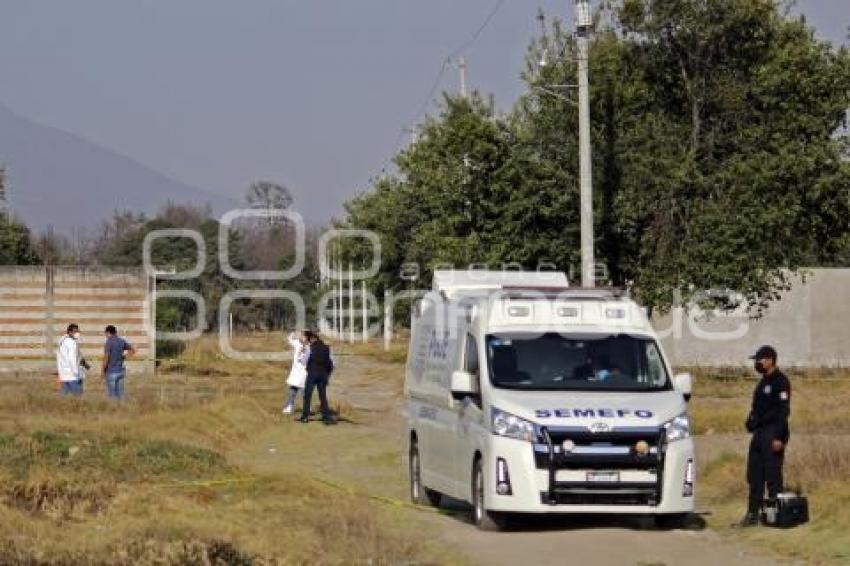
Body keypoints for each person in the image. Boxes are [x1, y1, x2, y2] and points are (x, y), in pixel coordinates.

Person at [737, 345, 791, 527]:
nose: (757, 364)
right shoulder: (762, 382)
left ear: (770, 360)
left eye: (759, 360)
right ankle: (753, 514)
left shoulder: (780, 382)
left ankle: (777, 515)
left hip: (773, 432)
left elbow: (783, 412)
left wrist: (779, 437)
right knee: (754, 475)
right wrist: (750, 421)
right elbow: (757, 408)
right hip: (759, 433)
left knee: (773, 475)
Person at [299, 330, 335, 424]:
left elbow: (303, 362)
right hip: (323, 374)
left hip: (312, 373)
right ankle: (326, 417)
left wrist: (301, 354)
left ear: (312, 339)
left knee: (308, 395)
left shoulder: (309, 348)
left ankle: (305, 417)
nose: (308, 341)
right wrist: (327, 375)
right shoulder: (327, 348)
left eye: (309, 339)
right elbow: (332, 364)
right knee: (323, 396)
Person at [102, 325, 135, 400]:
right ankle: (121, 409)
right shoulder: (121, 341)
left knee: (112, 395)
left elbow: (106, 357)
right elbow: (133, 349)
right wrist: (125, 357)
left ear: (108, 333)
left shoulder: (109, 342)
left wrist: (102, 370)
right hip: (121, 371)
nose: (106, 336)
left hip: (111, 372)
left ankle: (114, 409)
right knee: (120, 394)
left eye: (106, 334)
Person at [56, 323, 89, 396]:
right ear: (69, 332)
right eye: (75, 332)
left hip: (63, 373)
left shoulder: (62, 340)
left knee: (64, 395)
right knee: (78, 396)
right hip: (72, 374)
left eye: (78, 331)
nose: (77, 333)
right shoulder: (71, 343)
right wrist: (76, 372)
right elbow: (72, 358)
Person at [282, 330, 309, 414]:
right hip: (295, 373)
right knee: (292, 391)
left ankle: (306, 409)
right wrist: (293, 333)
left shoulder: (309, 347)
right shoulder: (297, 343)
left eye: (303, 336)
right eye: (301, 336)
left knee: (304, 393)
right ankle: (289, 407)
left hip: (305, 374)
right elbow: (290, 339)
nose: (301, 337)